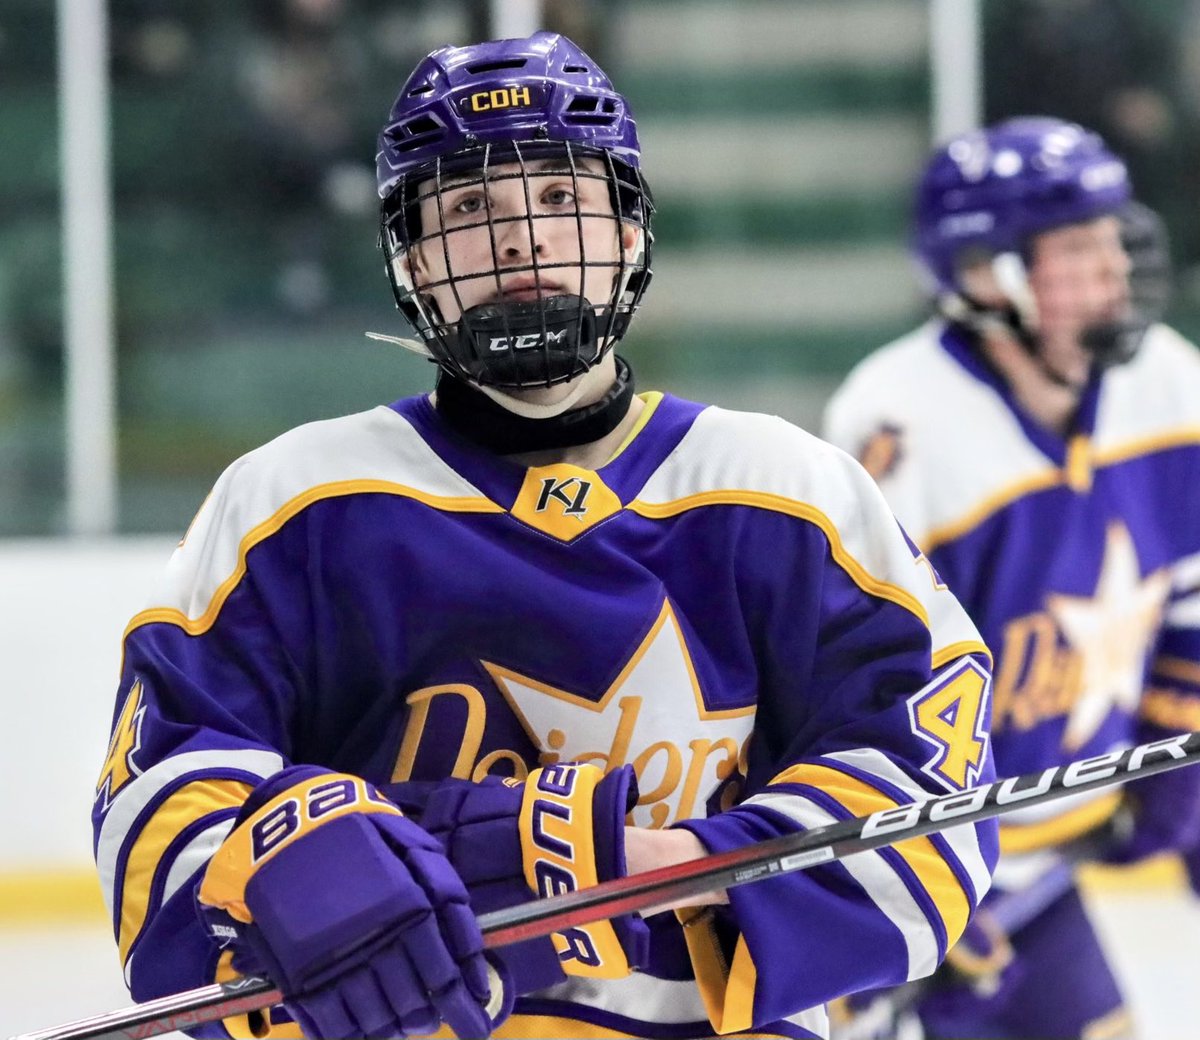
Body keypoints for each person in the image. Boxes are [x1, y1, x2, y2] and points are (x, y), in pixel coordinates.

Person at [92, 32, 998, 1040]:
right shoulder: (293, 501)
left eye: (561, 198)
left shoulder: (787, 489)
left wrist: (642, 874)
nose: (520, 238)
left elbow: (935, 803)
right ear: (411, 258)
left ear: (627, 231)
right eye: (471, 208)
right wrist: (277, 855)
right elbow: (153, 802)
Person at [823, 117, 1200, 1040]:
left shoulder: (1168, 380)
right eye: (1077, 245)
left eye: (1113, 236)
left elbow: (1194, 594)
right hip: (925, 879)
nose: (1114, 266)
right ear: (988, 275)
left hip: (1049, 872)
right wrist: (902, 885)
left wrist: (1176, 763)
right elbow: (849, 691)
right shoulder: (897, 426)